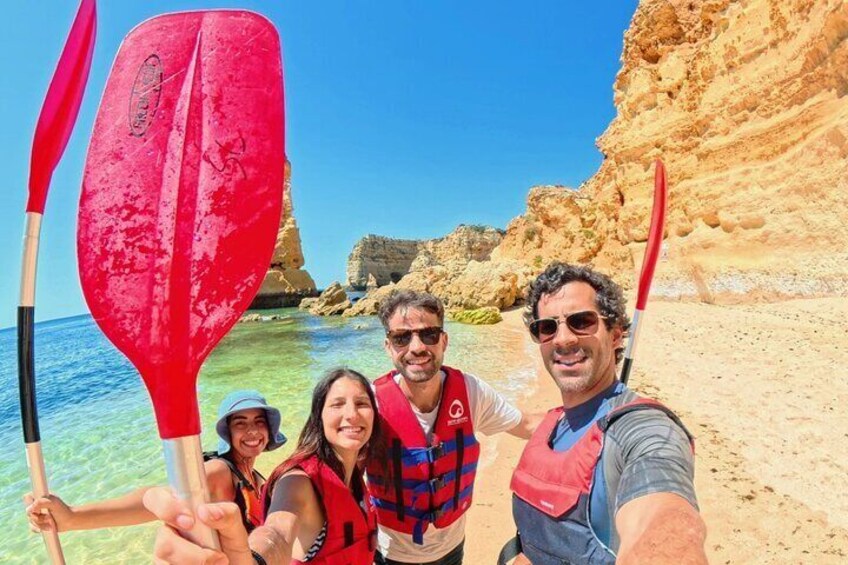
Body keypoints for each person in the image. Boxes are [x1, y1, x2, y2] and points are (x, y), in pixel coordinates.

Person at [505, 262, 707, 564]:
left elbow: (664, 522)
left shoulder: (644, 430)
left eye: (581, 321)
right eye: (547, 327)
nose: (563, 339)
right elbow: (521, 421)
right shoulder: (557, 420)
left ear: (615, 335)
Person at [368, 290, 542, 565]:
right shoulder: (370, 403)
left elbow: (528, 424)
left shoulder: (471, 392)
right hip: (388, 555)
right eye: (402, 338)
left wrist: (598, 417)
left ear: (444, 341)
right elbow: (326, 468)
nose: (417, 347)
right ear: (388, 346)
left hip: (451, 550)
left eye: (429, 334)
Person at [146, 368, 381, 565]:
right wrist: (253, 560)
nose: (351, 414)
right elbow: (276, 533)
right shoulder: (298, 481)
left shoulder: (353, 468)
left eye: (362, 403)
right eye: (337, 405)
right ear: (318, 416)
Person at [24, 390, 286, 535]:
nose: (252, 431)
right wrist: (73, 518)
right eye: (240, 423)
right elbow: (160, 499)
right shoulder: (219, 471)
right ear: (227, 433)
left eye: (259, 421)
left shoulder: (257, 479)